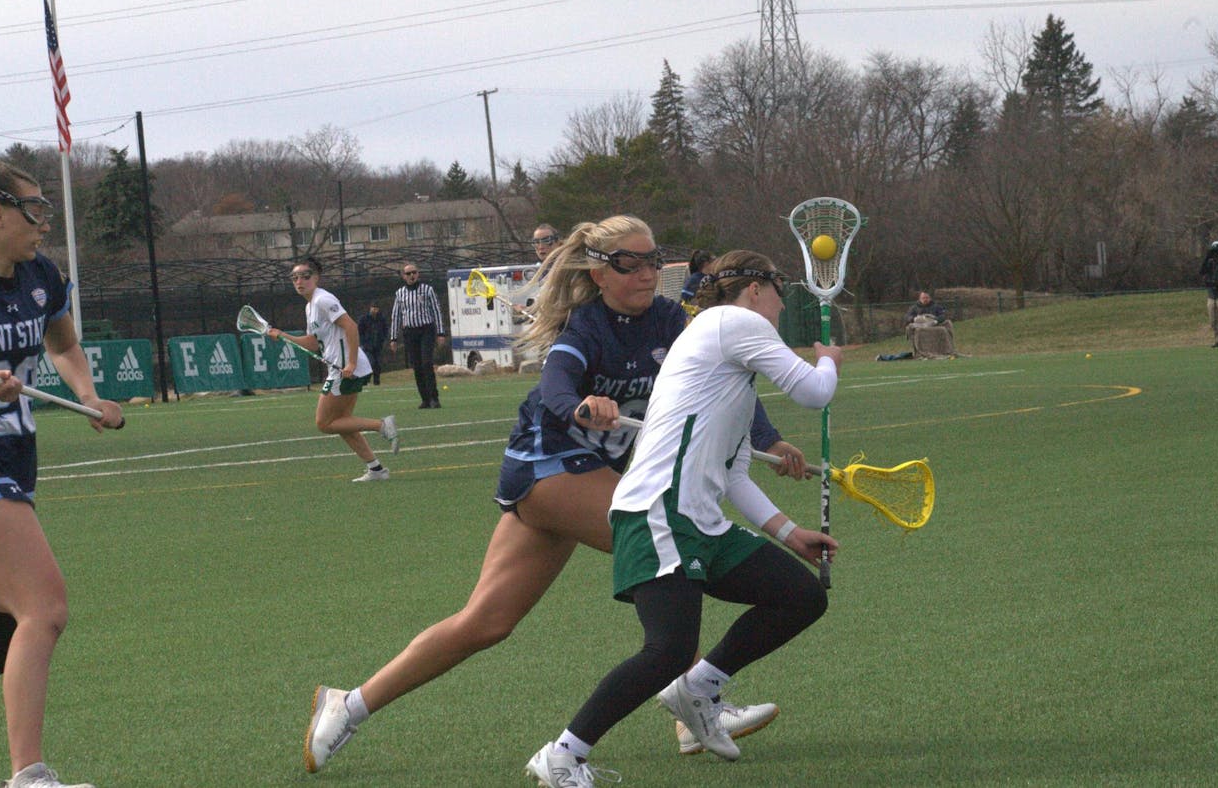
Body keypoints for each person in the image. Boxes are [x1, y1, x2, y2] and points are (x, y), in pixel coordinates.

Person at [302, 217, 809, 774]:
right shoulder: (586, 327)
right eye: (629, 263)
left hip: (584, 477)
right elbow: (556, 385)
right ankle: (690, 710)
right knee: (669, 545)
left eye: (651, 259)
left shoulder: (673, 320)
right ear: (599, 272)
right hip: (547, 467)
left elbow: (719, 380)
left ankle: (347, 705)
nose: (646, 272)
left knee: (486, 621)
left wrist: (769, 440)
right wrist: (579, 405)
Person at [523, 250, 841, 787]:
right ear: (757, 290)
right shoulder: (731, 321)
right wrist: (829, 357)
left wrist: (789, 533)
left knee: (801, 596)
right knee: (667, 649)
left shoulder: (731, 371)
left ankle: (697, 691)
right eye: (780, 293)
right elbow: (815, 391)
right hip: (659, 510)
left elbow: (735, 474)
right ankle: (561, 756)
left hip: (700, 519)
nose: (782, 306)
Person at [0, 153, 125, 788]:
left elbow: (62, 343)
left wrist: (87, 394)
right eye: (34, 212)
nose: (44, 224)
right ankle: (29, 777)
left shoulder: (40, 275)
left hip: (11, 464)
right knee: (45, 608)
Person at [265, 257, 398, 482]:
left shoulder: (323, 300)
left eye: (306, 276)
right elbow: (312, 342)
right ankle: (376, 469)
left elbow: (351, 326)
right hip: (339, 367)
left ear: (316, 277)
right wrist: (283, 336)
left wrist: (352, 363)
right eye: (295, 277)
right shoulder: (310, 306)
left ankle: (381, 425)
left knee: (324, 423)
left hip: (344, 368)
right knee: (342, 422)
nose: (300, 281)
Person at [388, 264, 446, 409]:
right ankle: (425, 399)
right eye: (408, 273)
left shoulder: (427, 290)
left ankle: (434, 397)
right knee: (417, 366)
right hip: (410, 332)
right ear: (404, 276)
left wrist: (440, 333)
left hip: (426, 329)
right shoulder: (400, 293)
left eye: (413, 272)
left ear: (418, 274)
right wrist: (393, 338)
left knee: (427, 363)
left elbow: (436, 311)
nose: (411, 276)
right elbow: (396, 316)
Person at [356, 304, 389, 385]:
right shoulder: (364, 319)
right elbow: (359, 331)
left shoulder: (381, 319)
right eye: (373, 308)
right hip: (366, 346)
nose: (375, 310)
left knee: (377, 364)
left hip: (377, 346)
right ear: (370, 308)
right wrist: (363, 343)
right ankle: (365, 380)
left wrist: (383, 340)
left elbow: (385, 330)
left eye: (376, 308)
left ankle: (376, 382)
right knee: (370, 363)